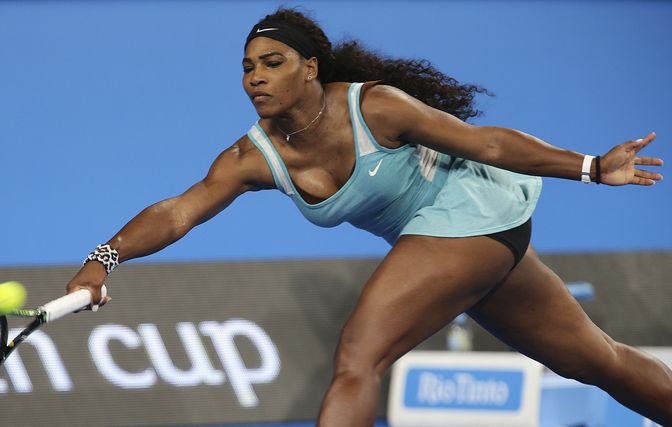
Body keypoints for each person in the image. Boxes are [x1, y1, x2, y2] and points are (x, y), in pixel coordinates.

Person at [66, 7, 670, 426]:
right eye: (247, 67)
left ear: (310, 68)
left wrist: (591, 167)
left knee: (359, 356)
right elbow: (179, 212)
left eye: (271, 62)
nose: (255, 78)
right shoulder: (252, 157)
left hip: (471, 209)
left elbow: (484, 144)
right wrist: (102, 259)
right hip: (467, 240)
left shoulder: (373, 105)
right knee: (594, 360)